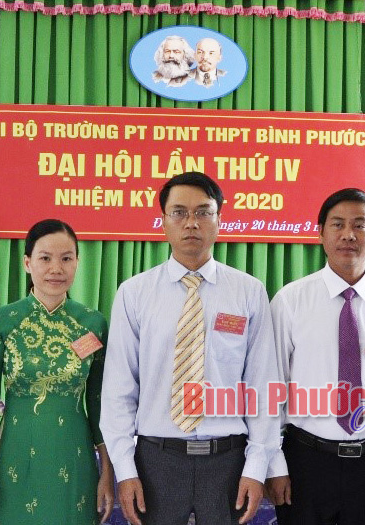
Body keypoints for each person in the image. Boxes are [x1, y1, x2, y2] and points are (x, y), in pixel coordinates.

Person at [101, 171, 280, 525]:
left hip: (228, 462)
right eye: (179, 212)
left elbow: (263, 387)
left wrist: (257, 467)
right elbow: (119, 390)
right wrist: (125, 470)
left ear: (219, 219)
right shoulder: (134, 294)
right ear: (163, 220)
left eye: (203, 212)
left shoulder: (248, 292)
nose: (191, 223)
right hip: (157, 461)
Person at [265, 188, 365, 524]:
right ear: (321, 233)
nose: (348, 235)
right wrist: (275, 465)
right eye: (337, 224)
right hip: (305, 463)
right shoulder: (291, 301)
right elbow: (271, 387)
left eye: (360, 225)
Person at [0, 219, 115, 525]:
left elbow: (99, 403)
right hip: (14, 454)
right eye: (45, 258)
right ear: (27, 263)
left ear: (77, 262)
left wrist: (107, 472)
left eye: (66, 258)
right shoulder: (3, 321)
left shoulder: (93, 323)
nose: (56, 268)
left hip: (74, 454)